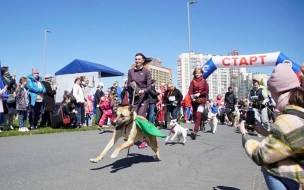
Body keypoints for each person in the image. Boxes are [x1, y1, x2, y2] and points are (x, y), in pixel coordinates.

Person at [239, 64, 304, 189]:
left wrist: (244, 135)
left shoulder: (287, 121)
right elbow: (292, 140)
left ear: (277, 91)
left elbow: (260, 155)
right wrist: (266, 132)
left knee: (269, 165)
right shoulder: (299, 109)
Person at [127, 53, 152, 148]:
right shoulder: (130, 71)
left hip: (144, 98)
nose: (137, 61)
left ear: (143, 61)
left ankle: (145, 139)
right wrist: (131, 86)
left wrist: (144, 90)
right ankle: (135, 136)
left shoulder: (146, 72)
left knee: (140, 118)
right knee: (133, 118)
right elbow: (128, 84)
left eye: (139, 59)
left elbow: (149, 86)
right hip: (134, 97)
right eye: (136, 59)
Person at [188, 68, 209, 140]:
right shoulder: (192, 81)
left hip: (202, 100)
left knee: (198, 114)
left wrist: (199, 93)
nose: (197, 74)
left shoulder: (204, 81)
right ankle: (200, 122)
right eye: (196, 73)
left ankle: (195, 131)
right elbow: (190, 90)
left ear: (201, 73)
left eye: (198, 73)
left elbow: (207, 91)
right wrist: (192, 96)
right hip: (194, 101)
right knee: (195, 115)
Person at [2, 66, 17, 130]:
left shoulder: (10, 77)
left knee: (12, 111)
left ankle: (10, 124)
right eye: (6, 71)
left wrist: (15, 91)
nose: (8, 72)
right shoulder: (2, 78)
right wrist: (13, 78)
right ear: (3, 72)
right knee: (6, 112)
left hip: (12, 96)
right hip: (6, 96)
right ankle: (5, 125)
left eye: (8, 70)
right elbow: (8, 85)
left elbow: (15, 85)